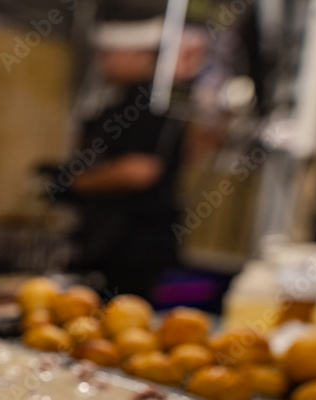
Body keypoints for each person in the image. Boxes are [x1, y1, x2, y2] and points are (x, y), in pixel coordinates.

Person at [42, 17, 204, 300]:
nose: (102, 62)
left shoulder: (152, 101)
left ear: (140, 54)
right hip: (111, 242)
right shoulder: (122, 99)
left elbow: (140, 170)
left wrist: (74, 183)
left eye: (110, 54)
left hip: (132, 247)